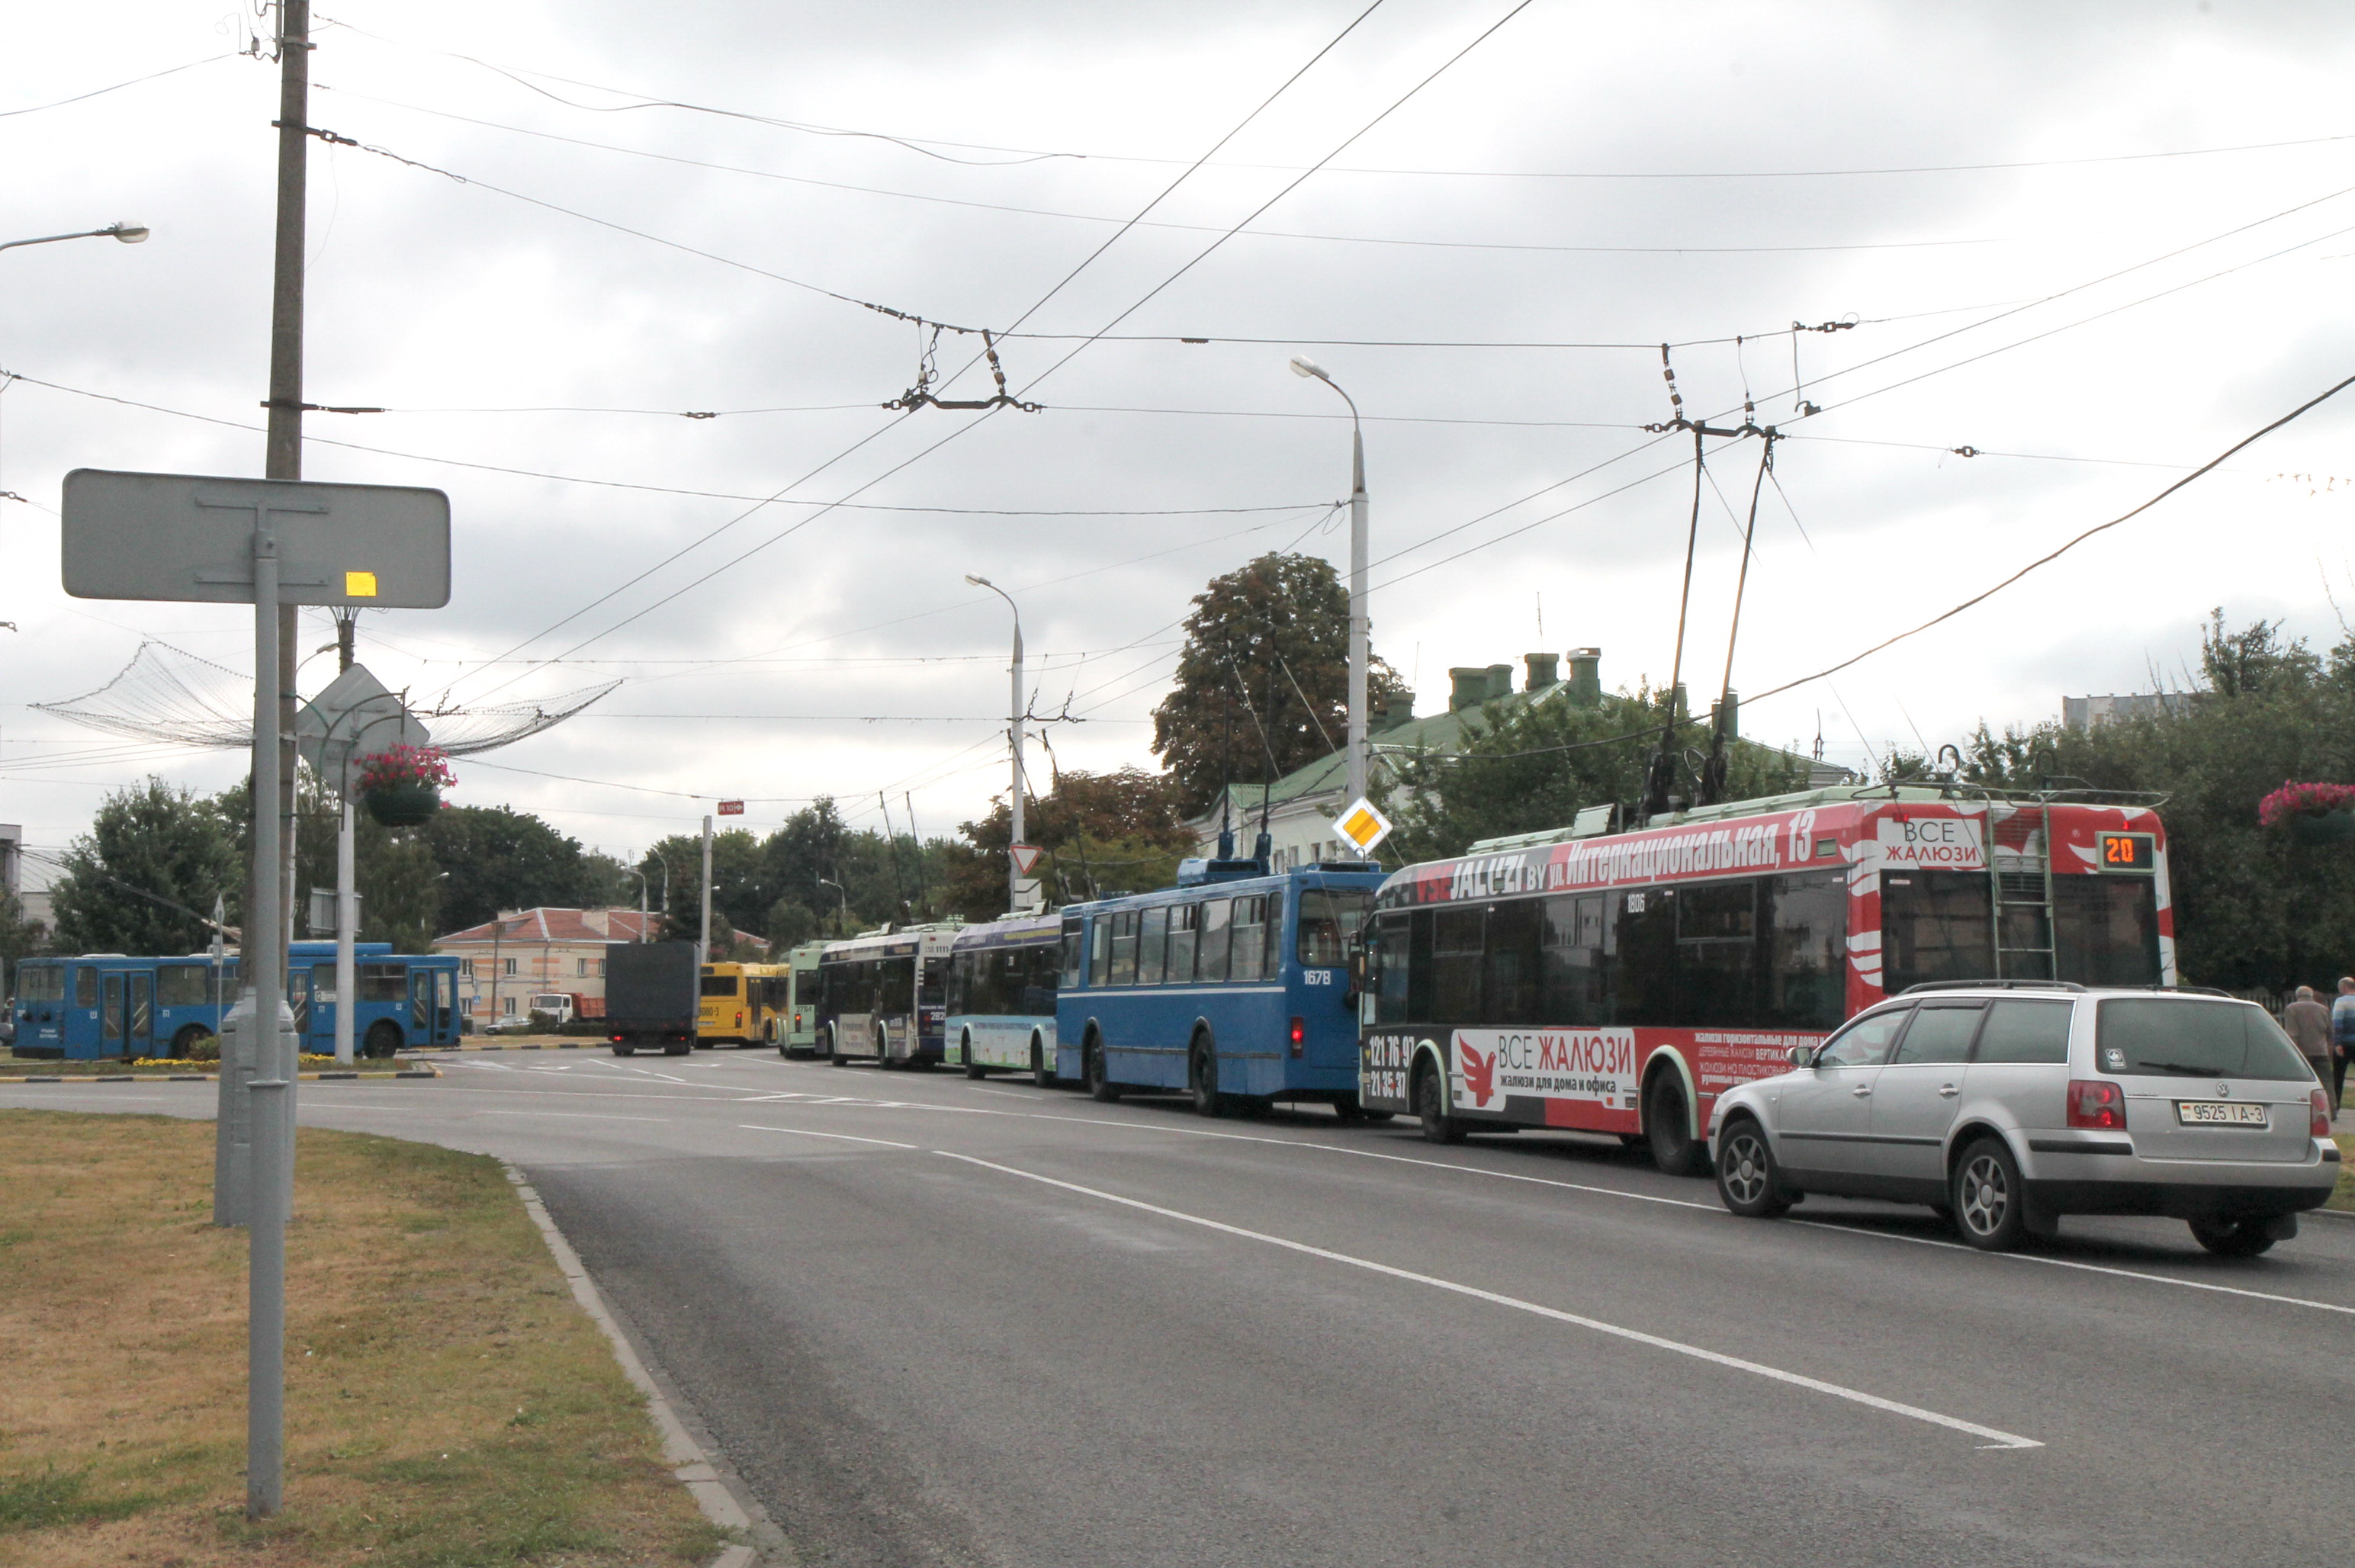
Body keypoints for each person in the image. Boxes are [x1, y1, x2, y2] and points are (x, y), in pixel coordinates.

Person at [2284, 985, 2334, 1104]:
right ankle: (2331, 1109)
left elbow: (2292, 1033)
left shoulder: (2292, 1009)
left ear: (2297, 996)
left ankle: (2300, 1105)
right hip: (2321, 1051)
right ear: (2311, 996)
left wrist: (2292, 1053)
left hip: (2302, 1052)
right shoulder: (2324, 1009)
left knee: (2300, 1082)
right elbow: (2330, 1033)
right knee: (2326, 1082)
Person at [2329, 977, 2355, 1117]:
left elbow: (2337, 1023)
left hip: (2344, 1044)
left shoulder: (2341, 1002)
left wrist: (2337, 1043)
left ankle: (2335, 1107)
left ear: (2344, 987)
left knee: (2338, 1077)